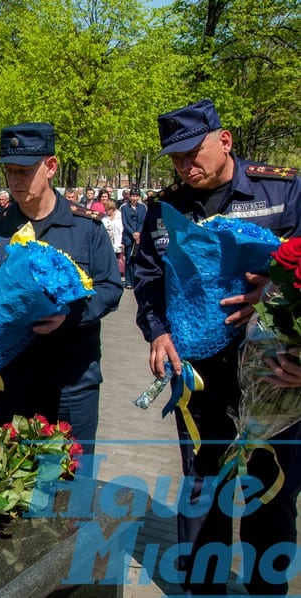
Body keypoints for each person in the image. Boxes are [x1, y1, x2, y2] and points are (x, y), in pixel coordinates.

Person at [134, 98, 301, 596]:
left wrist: (270, 296)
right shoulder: (165, 209)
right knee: (205, 490)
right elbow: (146, 280)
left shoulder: (283, 190)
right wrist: (158, 332)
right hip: (201, 379)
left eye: (193, 152)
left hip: (276, 375)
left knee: (270, 495)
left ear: (224, 140)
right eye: (176, 158)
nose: (187, 165)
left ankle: (264, 590)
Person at [0, 122, 122, 453]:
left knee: (70, 489)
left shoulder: (85, 227)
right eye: (10, 172)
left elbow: (109, 288)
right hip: (10, 382)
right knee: (10, 487)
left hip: (71, 382)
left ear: (51, 167)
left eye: (25, 171)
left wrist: (71, 315)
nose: (15, 181)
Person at [120, 187, 147, 289]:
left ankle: (136, 280)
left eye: (136, 196)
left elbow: (142, 221)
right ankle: (128, 281)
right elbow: (125, 222)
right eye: (133, 196)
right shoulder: (124, 208)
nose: (134, 198)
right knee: (128, 260)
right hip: (128, 236)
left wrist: (139, 232)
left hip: (139, 237)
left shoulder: (143, 207)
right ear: (130, 197)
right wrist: (132, 233)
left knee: (137, 259)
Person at [101, 198, 124, 281]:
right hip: (108, 243)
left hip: (118, 242)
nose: (107, 211)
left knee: (118, 261)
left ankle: (118, 276)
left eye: (109, 209)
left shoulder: (120, 216)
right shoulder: (103, 217)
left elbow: (123, 229)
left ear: (113, 209)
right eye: (106, 209)